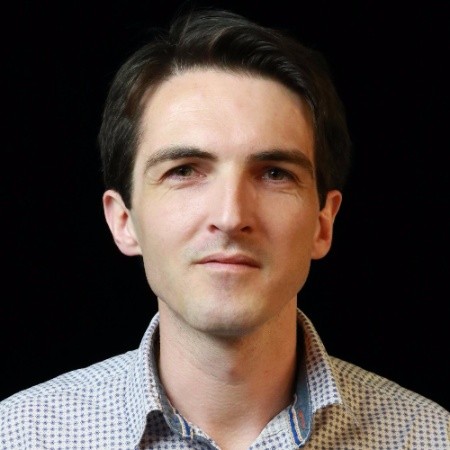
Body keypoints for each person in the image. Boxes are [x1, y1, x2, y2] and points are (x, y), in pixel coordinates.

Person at [1, 5, 449, 450]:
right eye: (184, 170)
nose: (231, 217)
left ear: (322, 223)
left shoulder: (431, 437)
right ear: (124, 220)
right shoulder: (22, 436)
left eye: (274, 173)